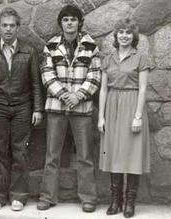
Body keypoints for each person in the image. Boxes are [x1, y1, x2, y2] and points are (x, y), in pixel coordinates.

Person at [0, 7, 44, 211]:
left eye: (12, 25)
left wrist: (38, 109)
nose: (8, 29)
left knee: (20, 151)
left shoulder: (28, 50)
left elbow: (35, 83)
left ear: (18, 27)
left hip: (23, 108)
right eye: (4, 25)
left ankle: (19, 196)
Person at [37, 4, 101, 212]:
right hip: (56, 107)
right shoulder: (51, 45)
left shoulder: (91, 45)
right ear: (61, 23)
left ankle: (88, 198)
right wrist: (64, 95)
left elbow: (95, 75)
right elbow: (47, 73)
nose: (70, 23)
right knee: (52, 155)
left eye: (73, 19)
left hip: (81, 109)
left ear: (79, 22)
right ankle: (48, 197)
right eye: (66, 19)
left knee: (85, 156)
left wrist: (79, 96)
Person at [98, 18, 150, 218]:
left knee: (133, 153)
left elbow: (143, 88)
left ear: (133, 36)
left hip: (132, 105)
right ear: (116, 35)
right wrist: (101, 117)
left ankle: (130, 202)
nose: (124, 36)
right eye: (121, 32)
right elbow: (103, 89)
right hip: (112, 106)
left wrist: (138, 116)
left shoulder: (141, 57)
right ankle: (115, 200)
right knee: (114, 152)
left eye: (128, 32)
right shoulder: (108, 58)